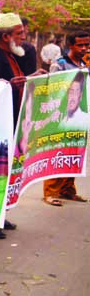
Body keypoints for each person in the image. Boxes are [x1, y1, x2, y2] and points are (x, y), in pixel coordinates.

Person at [43, 32, 90, 206]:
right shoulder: (60, 64)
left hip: (80, 115)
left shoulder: (84, 64)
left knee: (74, 152)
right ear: (70, 45)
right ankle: (50, 192)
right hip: (62, 115)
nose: (84, 48)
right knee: (58, 153)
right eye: (80, 45)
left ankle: (68, 190)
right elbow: (51, 89)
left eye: (87, 45)